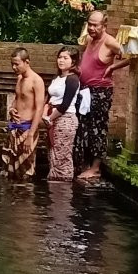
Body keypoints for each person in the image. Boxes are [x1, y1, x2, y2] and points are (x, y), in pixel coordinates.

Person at [75, 10, 129, 180]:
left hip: (100, 91)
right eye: (89, 24)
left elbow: (132, 56)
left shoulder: (110, 42)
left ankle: (95, 167)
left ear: (104, 26)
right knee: (83, 126)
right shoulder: (90, 40)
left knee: (97, 128)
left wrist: (113, 67)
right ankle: (84, 163)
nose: (91, 28)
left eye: (95, 25)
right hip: (85, 90)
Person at [2, 48, 45, 180]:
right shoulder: (19, 78)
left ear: (27, 62)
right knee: (9, 171)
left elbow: (39, 109)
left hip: (27, 129)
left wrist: (30, 135)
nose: (14, 67)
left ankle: (26, 199)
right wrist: (11, 108)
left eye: (17, 64)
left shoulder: (37, 81)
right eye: (12, 64)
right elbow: (17, 99)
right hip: (15, 127)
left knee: (26, 171)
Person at [44, 47, 83, 182]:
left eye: (65, 58)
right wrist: (45, 115)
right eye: (60, 57)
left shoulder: (73, 79)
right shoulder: (56, 78)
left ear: (73, 62)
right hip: (51, 117)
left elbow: (65, 104)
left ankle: (63, 185)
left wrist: (50, 118)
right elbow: (48, 98)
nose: (61, 60)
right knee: (53, 152)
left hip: (65, 118)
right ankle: (54, 181)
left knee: (62, 154)